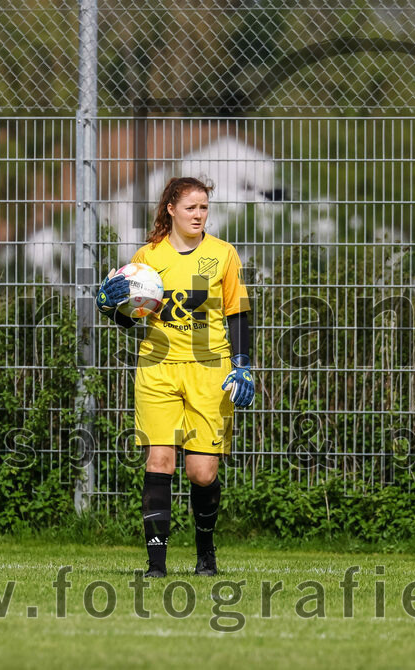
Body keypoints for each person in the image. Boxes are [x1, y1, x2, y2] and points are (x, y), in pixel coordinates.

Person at [95, 176, 254, 578]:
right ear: (171, 209)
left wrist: (244, 364)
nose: (199, 215)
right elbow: (132, 321)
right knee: (160, 460)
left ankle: (206, 554)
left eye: (204, 208)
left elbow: (237, 312)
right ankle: (156, 566)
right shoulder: (148, 259)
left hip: (209, 371)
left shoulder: (223, 255)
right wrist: (111, 308)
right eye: (191, 208)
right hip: (158, 369)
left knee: (202, 472)